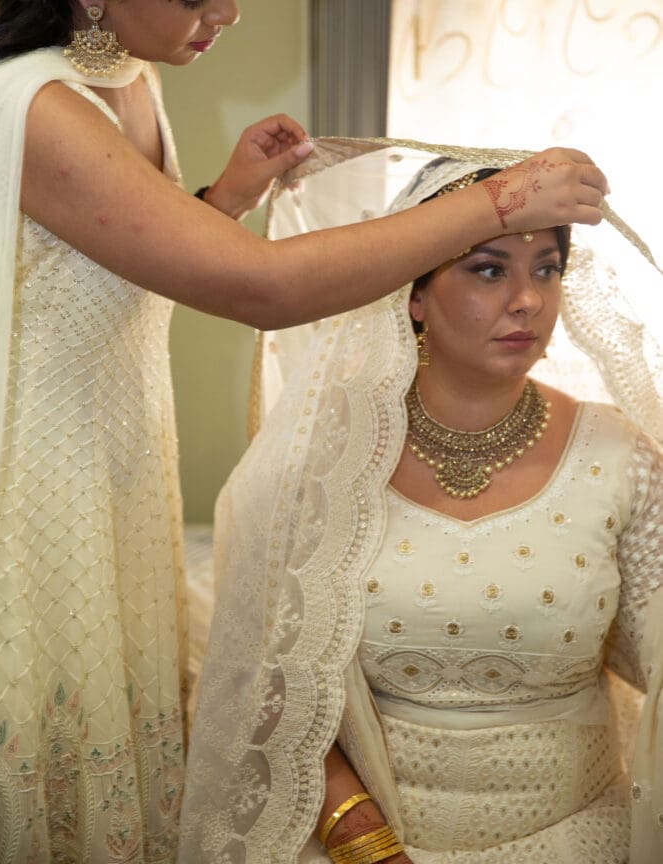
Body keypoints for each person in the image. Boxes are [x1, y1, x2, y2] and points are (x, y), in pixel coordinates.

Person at [0, 0, 608, 859]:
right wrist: (491, 202)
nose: (220, 19)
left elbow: (95, 260)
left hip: (108, 469)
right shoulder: (41, 103)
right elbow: (259, 291)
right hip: (28, 488)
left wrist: (223, 200)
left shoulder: (118, 70)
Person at [179, 140, 663, 864]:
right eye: (487, 270)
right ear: (412, 294)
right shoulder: (322, 464)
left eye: (547, 270)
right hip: (362, 845)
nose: (527, 300)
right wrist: (366, 843)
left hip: (578, 839)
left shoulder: (618, 457)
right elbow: (266, 691)